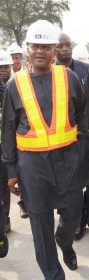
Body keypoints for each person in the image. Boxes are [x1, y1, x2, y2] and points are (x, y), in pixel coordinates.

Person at [1, 20, 89, 280]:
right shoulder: (14, 84)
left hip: (68, 163)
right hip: (32, 168)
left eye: (46, 47)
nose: (41, 51)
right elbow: (8, 130)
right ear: (28, 49)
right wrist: (12, 170)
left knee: (73, 214)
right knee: (40, 225)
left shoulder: (69, 77)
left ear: (54, 50)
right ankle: (53, 276)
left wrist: (81, 146)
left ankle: (64, 242)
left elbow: (84, 112)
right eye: (36, 46)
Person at [55, 32, 89, 240]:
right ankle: (74, 220)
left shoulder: (86, 69)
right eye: (60, 46)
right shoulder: (49, 73)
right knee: (69, 183)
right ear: (53, 49)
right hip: (63, 140)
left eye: (68, 45)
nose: (65, 49)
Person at [7, 43, 29, 219]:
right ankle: (24, 203)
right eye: (12, 57)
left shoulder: (27, 74)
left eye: (17, 57)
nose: (15, 60)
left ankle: (25, 202)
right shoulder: (9, 78)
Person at [0, 50, 14, 234]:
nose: (2, 70)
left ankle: (5, 219)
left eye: (5, 67)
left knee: (4, 183)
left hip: (5, 144)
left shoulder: (13, 86)